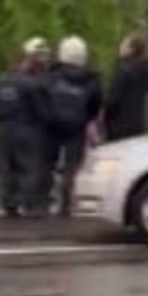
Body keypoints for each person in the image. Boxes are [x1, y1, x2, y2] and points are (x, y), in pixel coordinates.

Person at [0, 38, 52, 218]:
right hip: (27, 129)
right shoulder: (32, 84)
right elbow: (42, 111)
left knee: (6, 167)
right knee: (29, 166)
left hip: (4, 129)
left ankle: (9, 202)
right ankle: (31, 203)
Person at [47, 35, 102, 216]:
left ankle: (45, 200)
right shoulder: (92, 79)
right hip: (77, 125)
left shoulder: (52, 76)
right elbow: (96, 103)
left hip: (52, 124)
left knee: (48, 162)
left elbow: (42, 97)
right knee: (72, 166)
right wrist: (87, 118)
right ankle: (65, 204)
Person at [103, 34, 148, 142]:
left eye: (124, 44)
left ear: (132, 50)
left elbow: (113, 99)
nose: (120, 47)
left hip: (118, 125)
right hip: (137, 122)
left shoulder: (122, 70)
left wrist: (105, 113)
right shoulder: (145, 70)